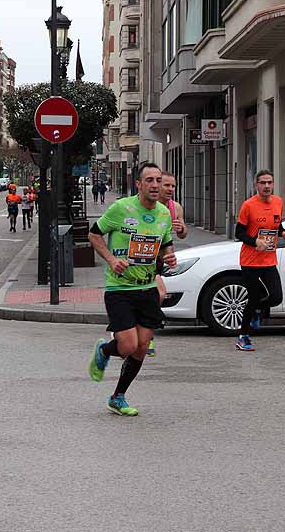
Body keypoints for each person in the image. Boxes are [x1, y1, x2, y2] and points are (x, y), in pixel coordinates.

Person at [86, 163, 177, 417]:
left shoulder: (163, 214)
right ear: (139, 184)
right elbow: (94, 235)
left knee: (141, 346)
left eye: (159, 180)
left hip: (147, 287)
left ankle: (118, 397)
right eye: (149, 180)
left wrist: (169, 258)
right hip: (120, 288)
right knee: (127, 345)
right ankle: (104, 350)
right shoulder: (121, 208)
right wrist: (112, 260)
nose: (155, 185)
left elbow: (165, 244)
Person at [234, 169, 285, 352]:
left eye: (269, 182)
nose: (266, 186)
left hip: (268, 259)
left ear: (273, 184)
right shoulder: (248, 205)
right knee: (253, 298)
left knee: (276, 296)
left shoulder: (278, 202)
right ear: (256, 185)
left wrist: (283, 232)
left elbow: (276, 223)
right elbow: (239, 233)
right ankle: (243, 337)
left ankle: (257, 310)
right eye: (263, 183)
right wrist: (255, 241)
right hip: (250, 261)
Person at [145, 172, 189, 357]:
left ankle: (145, 328)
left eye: (173, 186)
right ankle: (148, 332)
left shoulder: (175, 207)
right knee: (158, 293)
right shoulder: (148, 206)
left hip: (162, 258)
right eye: (167, 185)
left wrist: (181, 229)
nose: (171, 189)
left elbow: (183, 234)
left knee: (155, 294)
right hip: (144, 257)